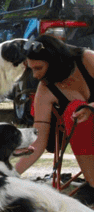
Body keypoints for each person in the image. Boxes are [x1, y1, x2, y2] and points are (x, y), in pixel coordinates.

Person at [14, 35, 94, 199]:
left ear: (54, 61)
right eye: (31, 69)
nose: (35, 76)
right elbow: (39, 141)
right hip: (87, 135)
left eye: (38, 68)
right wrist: (10, 174)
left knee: (81, 110)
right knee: (74, 110)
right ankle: (92, 184)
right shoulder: (45, 91)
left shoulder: (86, 60)